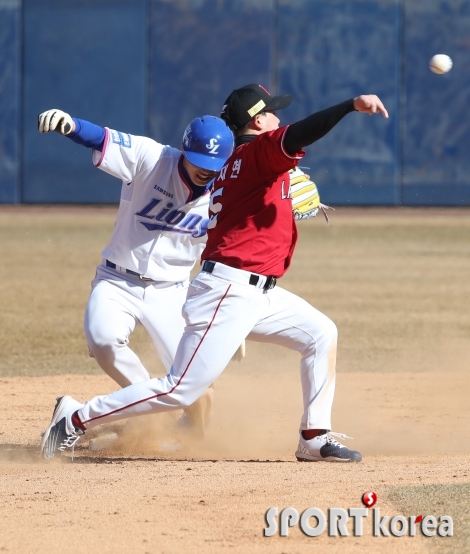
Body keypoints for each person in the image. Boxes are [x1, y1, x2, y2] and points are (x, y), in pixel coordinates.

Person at [41, 85, 388, 461]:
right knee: (181, 389)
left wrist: (281, 197)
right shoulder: (259, 152)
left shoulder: (230, 164)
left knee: (320, 332)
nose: (278, 118)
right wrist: (349, 106)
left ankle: (314, 436)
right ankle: (75, 418)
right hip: (231, 287)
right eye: (272, 113)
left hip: (255, 291)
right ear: (258, 121)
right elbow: (302, 132)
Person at [38, 109, 234, 438]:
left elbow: (230, 253)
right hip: (118, 280)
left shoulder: (228, 195)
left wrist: (230, 309)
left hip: (173, 293)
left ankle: (191, 441)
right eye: (198, 160)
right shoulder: (152, 157)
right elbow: (102, 137)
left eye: (213, 165)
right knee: (103, 341)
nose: (205, 171)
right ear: (184, 150)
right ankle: (148, 413)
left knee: (196, 385)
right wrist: (72, 126)